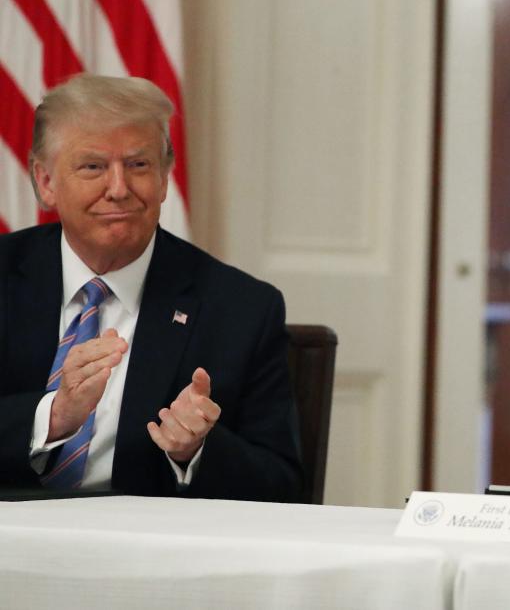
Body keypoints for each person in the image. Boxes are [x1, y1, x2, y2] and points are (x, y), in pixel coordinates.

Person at [0, 74, 301, 501]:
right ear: (46, 182)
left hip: (153, 555)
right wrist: (52, 416)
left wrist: (196, 450)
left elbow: (284, 488)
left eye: (139, 165)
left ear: (163, 180)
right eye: (93, 167)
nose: (119, 189)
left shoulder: (240, 309)